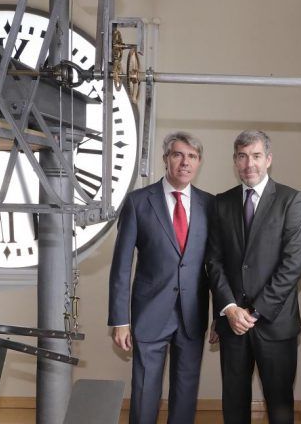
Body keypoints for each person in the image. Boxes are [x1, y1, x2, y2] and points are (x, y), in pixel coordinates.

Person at [108, 131, 213, 424]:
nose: (184, 162)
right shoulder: (138, 202)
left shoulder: (210, 205)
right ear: (166, 158)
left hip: (193, 314)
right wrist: (120, 320)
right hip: (150, 312)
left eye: (192, 156)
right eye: (178, 154)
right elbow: (121, 266)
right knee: (144, 389)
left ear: (199, 162)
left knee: (186, 390)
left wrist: (219, 314)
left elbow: (216, 266)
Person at [206, 130, 301, 424]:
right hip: (232, 323)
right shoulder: (221, 203)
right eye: (242, 156)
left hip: (275, 324)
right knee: (234, 406)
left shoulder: (291, 200)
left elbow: (293, 265)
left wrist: (255, 311)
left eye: (256, 155)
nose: (249, 163)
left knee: (280, 408)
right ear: (235, 161)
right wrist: (228, 308)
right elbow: (214, 261)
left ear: (269, 159)